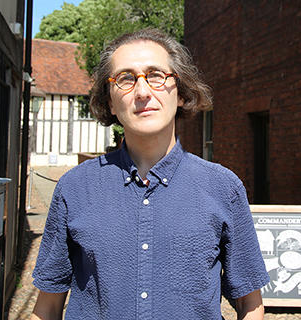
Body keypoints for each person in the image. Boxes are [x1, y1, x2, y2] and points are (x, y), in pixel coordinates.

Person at [30, 28, 269, 320]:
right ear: (109, 103)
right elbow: (48, 308)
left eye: (156, 75)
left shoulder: (223, 187)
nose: (143, 92)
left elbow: (251, 305)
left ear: (180, 93)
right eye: (126, 78)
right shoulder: (75, 187)